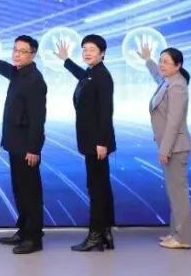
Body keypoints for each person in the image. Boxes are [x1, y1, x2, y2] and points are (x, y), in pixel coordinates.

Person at [0, 35, 47, 255]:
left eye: (22, 51)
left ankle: (34, 238)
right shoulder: (18, 73)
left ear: (33, 54)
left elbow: (38, 119)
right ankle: (24, 230)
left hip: (27, 147)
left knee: (30, 193)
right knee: (20, 190)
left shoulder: (35, 80)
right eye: (15, 50)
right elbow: (4, 68)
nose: (17, 54)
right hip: (15, 143)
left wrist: (34, 148)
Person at [56, 34, 116, 252]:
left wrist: (102, 141)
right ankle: (105, 232)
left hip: (97, 143)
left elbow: (106, 111)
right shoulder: (92, 73)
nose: (87, 53)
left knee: (97, 189)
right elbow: (82, 77)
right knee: (100, 187)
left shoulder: (102, 76)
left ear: (102, 53)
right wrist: (66, 60)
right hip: (91, 141)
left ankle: (95, 235)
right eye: (84, 49)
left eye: (92, 49)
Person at [139, 44, 191, 249]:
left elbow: (174, 121)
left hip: (175, 147)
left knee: (178, 193)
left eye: (166, 62)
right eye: (161, 61)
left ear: (178, 66)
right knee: (174, 193)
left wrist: (165, 149)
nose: (162, 65)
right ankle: (176, 232)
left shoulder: (177, 86)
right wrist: (148, 60)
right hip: (172, 146)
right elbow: (157, 75)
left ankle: (183, 238)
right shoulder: (168, 81)